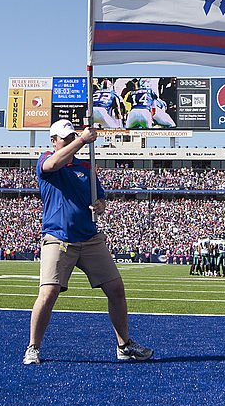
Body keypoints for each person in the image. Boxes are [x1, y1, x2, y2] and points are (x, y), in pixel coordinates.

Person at [23, 119, 153, 365]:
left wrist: (100, 206)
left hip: (90, 238)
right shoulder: (47, 161)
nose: (72, 141)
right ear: (54, 141)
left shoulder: (87, 167)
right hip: (58, 238)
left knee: (116, 289)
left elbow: (100, 199)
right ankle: (33, 347)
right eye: (66, 138)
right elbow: (53, 164)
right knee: (48, 292)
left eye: (73, 137)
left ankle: (123, 345)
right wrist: (83, 139)